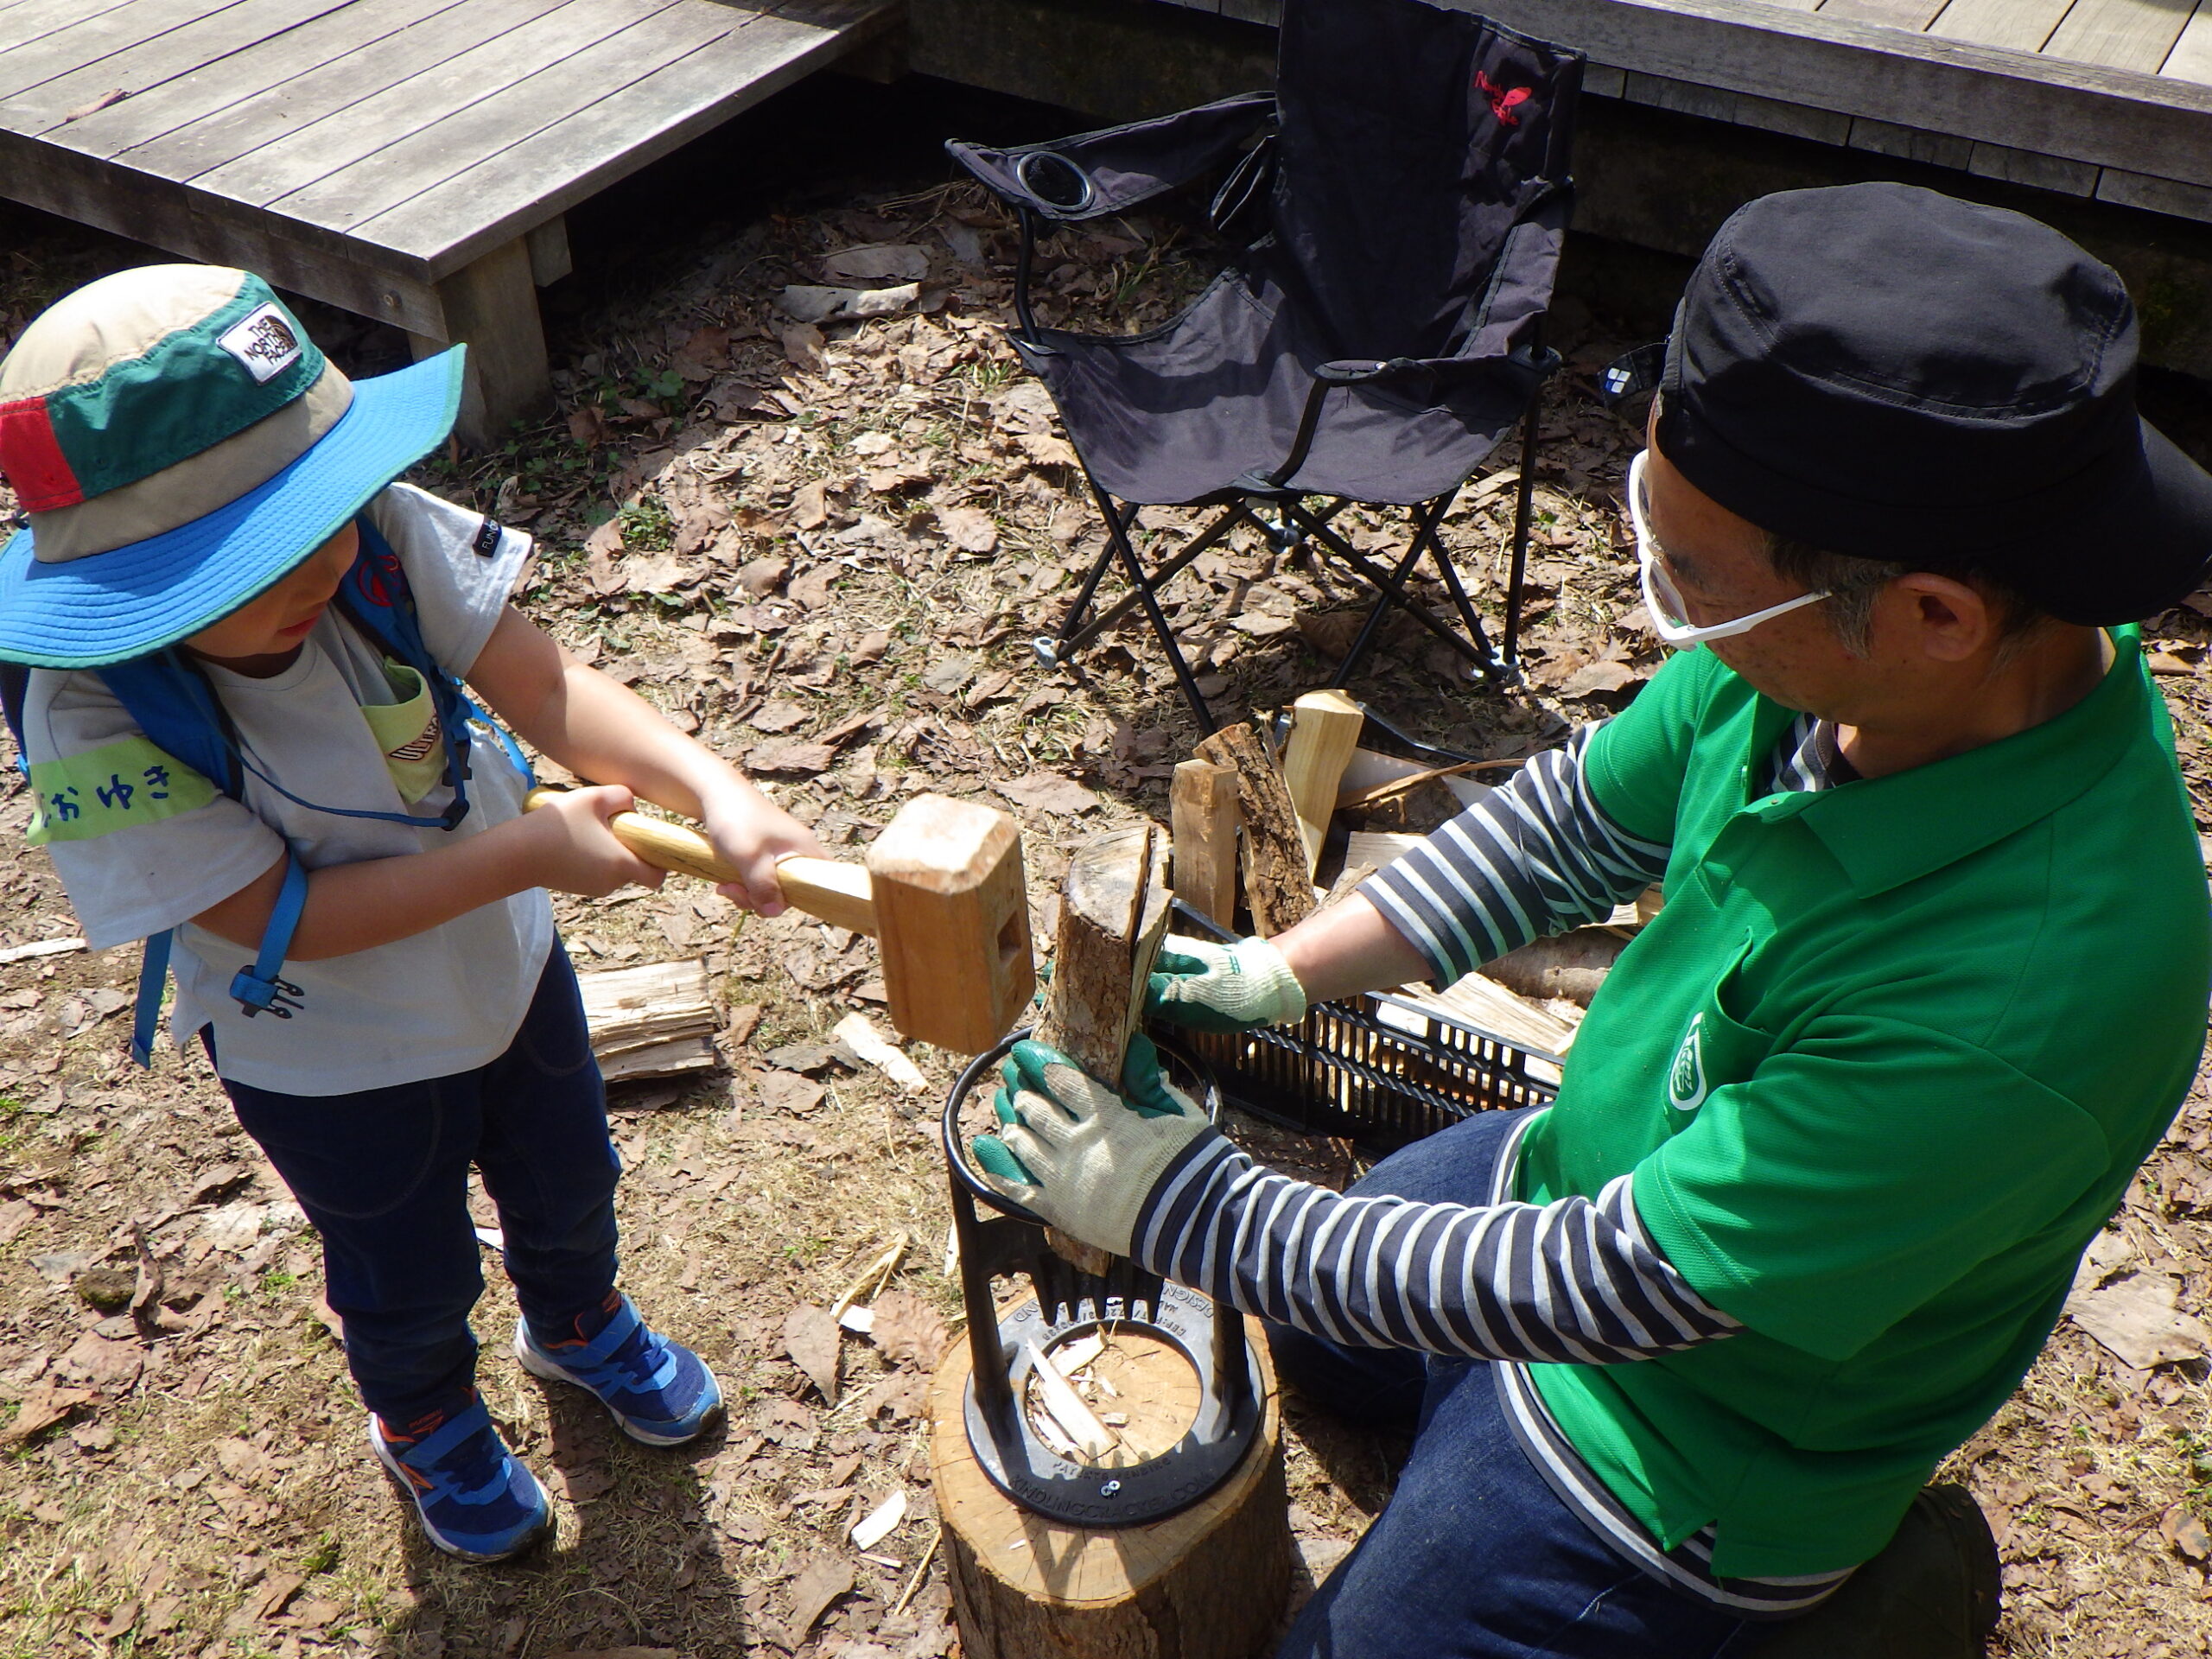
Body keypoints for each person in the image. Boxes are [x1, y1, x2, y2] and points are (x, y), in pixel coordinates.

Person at [972, 182, 2212, 1656]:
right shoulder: (1857, 663)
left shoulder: (2026, 1001)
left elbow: (1619, 1281)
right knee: (1319, 1323)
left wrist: (1193, 1209)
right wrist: (1281, 971)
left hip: (1691, 1438)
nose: (1664, 610)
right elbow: (1577, 820)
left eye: (1693, 581)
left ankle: (1865, 1598)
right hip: (1585, 1167)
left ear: (1936, 615)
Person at [0, 266, 823, 1563]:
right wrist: (526, 854)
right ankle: (426, 1412)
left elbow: (539, 681)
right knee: (402, 1263)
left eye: (319, 516)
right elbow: (277, 919)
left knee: (568, 1177)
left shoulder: (371, 533)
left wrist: (712, 786)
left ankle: (574, 1318)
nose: (317, 564)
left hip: (507, 974)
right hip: (325, 1056)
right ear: (130, 583)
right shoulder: (88, 713)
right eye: (248, 559)